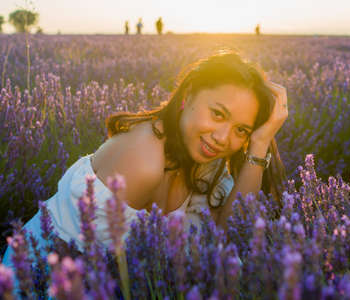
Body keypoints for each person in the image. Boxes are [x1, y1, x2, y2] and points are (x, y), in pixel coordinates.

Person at [2, 50, 288, 268]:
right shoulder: (142, 162)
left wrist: (260, 142)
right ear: (188, 95)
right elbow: (118, 276)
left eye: (242, 130)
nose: (223, 138)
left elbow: (232, 231)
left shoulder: (202, 151)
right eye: (217, 114)